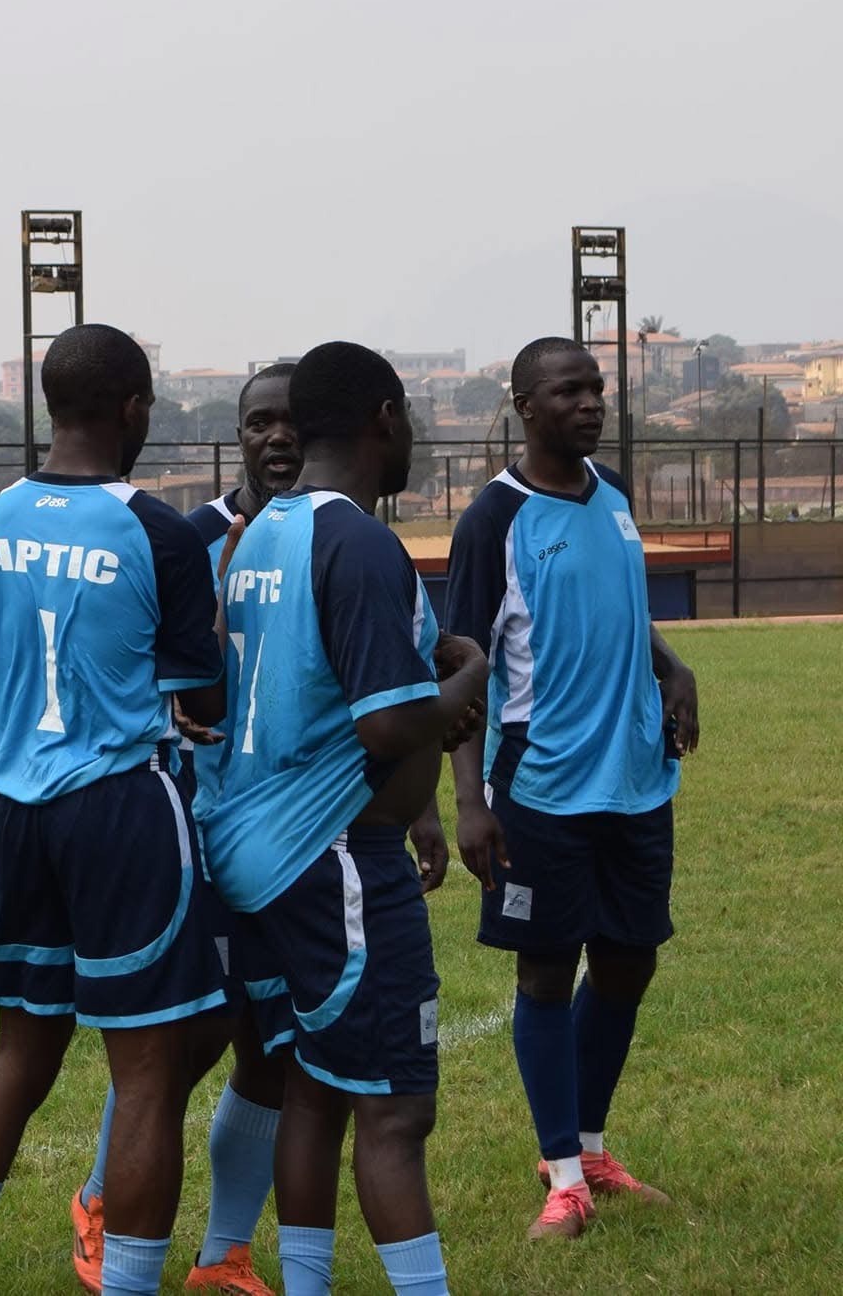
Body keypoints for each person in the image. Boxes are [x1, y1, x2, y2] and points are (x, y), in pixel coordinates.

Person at [0, 323, 233, 1296]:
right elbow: (203, 703)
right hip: (120, 811)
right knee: (145, 1071)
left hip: (12, 814)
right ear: (134, 408)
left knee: (17, 1057)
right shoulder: (156, 529)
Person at [200, 341, 486, 1296]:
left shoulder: (260, 532)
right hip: (336, 860)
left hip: (260, 851)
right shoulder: (356, 539)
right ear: (383, 418)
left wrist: (422, 667)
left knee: (313, 1088)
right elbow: (392, 722)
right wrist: (469, 677)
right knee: (399, 1113)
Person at [444, 337, 696, 1242]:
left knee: (629, 960)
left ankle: (592, 1146)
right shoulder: (493, 520)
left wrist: (673, 668)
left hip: (635, 779)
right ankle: (561, 1178)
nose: (589, 403)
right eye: (568, 391)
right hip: (541, 786)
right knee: (548, 972)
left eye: (595, 388)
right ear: (523, 404)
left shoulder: (614, 495)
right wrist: (470, 802)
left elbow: (625, 608)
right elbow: (463, 665)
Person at [69, 362, 305, 1296]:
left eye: (291, 421)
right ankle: (98, 1201)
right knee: (181, 1040)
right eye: (258, 422)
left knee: (274, 1044)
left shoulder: (335, 538)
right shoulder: (187, 535)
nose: (275, 438)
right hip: (193, 829)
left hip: (292, 833)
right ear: (236, 436)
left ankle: (225, 1255)